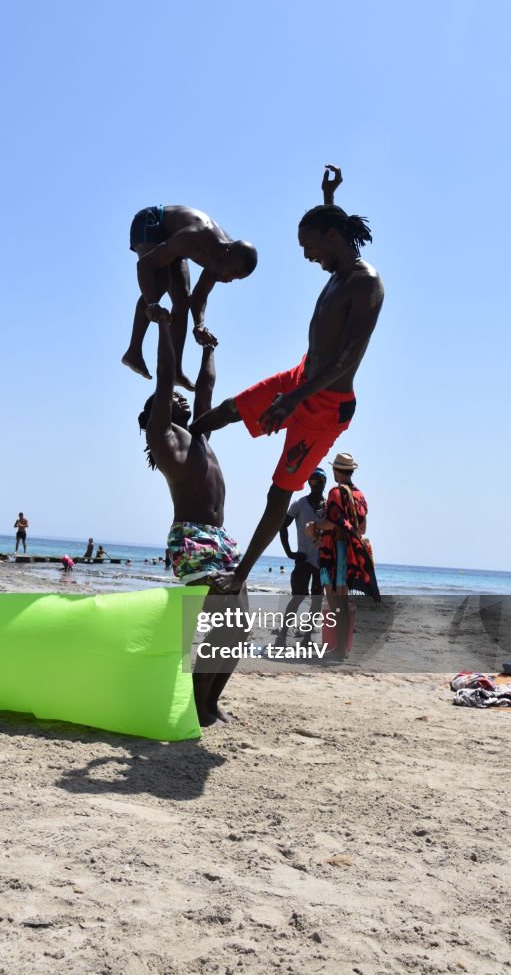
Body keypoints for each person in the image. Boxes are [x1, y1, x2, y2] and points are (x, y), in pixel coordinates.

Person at [190, 165, 384, 595]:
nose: (306, 255)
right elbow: (337, 234)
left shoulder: (365, 284)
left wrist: (295, 400)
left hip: (324, 406)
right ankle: (184, 471)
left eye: (309, 245)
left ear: (330, 239)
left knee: (279, 492)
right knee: (227, 411)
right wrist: (329, 198)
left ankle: (238, 576)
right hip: (300, 378)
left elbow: (349, 356)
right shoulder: (339, 266)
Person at [139, 305, 247, 726]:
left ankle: (209, 704)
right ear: (156, 414)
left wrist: (207, 351)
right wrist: (165, 328)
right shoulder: (164, 436)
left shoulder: (199, 432)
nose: (180, 399)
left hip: (221, 540)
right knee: (224, 621)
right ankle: (198, 707)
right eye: (169, 401)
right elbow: (167, 380)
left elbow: (206, 388)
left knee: (238, 627)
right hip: (192, 539)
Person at [122, 205, 258, 389]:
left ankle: (176, 371)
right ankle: (133, 352)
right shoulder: (196, 237)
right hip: (152, 222)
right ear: (227, 253)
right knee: (160, 282)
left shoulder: (221, 262)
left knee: (182, 299)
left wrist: (199, 325)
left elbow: (199, 296)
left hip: (173, 239)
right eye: (232, 272)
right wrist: (152, 303)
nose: (229, 279)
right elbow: (144, 266)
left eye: (236, 278)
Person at [307, 452, 381, 659]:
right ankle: (342, 647)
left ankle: (339, 649)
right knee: (342, 601)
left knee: (335, 602)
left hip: (334, 551)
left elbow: (332, 523)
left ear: (335, 471)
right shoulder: (360, 496)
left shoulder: (336, 493)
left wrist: (315, 526)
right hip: (350, 553)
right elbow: (362, 529)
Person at [274, 468, 327, 648]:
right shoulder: (299, 504)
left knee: (317, 602)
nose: (318, 483)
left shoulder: (328, 507)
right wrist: (289, 552)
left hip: (322, 563)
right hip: (303, 560)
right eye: (314, 480)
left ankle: (306, 639)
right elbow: (282, 526)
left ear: (325, 483)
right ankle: (282, 636)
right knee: (297, 598)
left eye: (321, 480)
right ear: (308, 482)